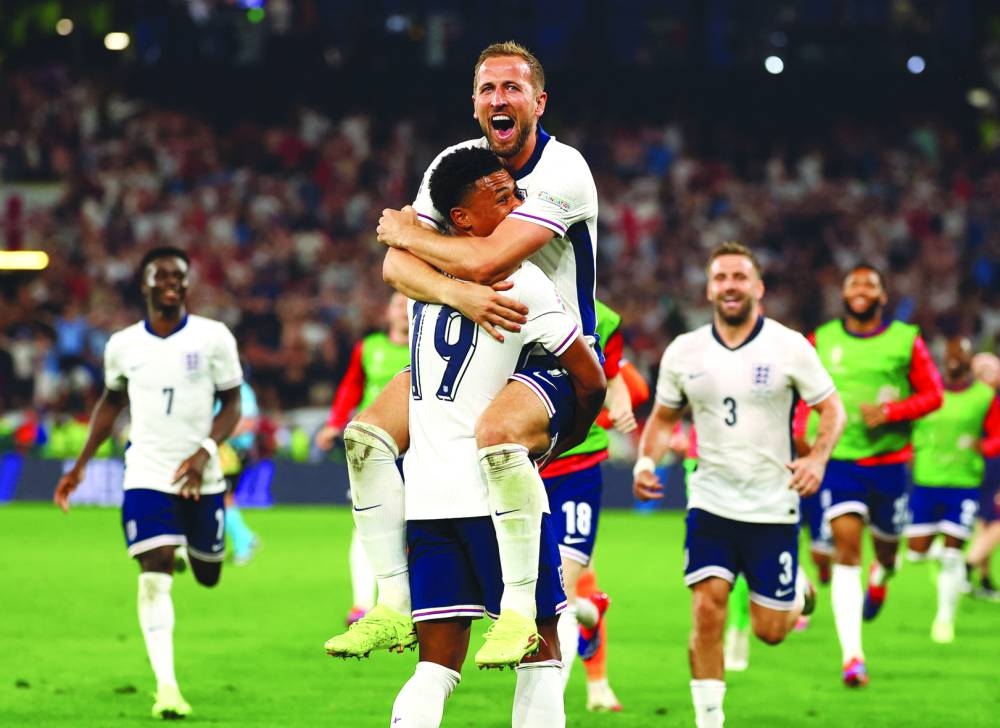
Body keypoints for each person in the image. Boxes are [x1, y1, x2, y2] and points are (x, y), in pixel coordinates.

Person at [326, 40, 601, 669]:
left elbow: (487, 257)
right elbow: (398, 265)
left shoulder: (565, 170)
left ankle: (519, 613)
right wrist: (456, 293)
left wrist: (410, 234)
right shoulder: (453, 164)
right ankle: (390, 606)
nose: (498, 99)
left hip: (548, 350)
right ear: (474, 102)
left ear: (539, 101)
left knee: (498, 435)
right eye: (487, 88)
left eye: (512, 87)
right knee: (365, 438)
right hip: (471, 339)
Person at [384, 146, 605, 726]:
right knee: (540, 652)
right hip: (495, 493)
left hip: (427, 499)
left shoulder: (419, 292)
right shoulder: (521, 281)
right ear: (462, 218)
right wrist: (566, 435)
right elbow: (589, 376)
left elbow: (396, 264)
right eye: (502, 197)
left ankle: (384, 598)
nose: (518, 202)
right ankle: (506, 606)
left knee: (433, 669)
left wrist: (406, 237)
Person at [633, 242, 845, 728]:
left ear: (757, 288)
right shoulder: (684, 351)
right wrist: (647, 462)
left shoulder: (789, 346)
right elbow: (664, 418)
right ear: (709, 289)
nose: (730, 285)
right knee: (708, 609)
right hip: (711, 502)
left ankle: (796, 594)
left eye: (739, 277)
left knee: (771, 632)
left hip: (773, 506)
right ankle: (710, 721)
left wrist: (816, 457)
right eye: (721, 278)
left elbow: (833, 409)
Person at [53, 247, 242, 720]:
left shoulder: (213, 337)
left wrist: (204, 451)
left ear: (187, 284)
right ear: (145, 284)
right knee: (153, 571)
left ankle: (184, 549)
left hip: (203, 474)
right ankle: (168, 688)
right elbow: (109, 404)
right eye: (162, 276)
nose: (171, 283)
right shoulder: (122, 345)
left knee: (209, 575)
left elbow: (233, 405)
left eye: (179, 275)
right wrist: (77, 467)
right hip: (147, 473)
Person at [798, 263, 943, 687]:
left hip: (891, 466)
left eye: (870, 284)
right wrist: (801, 439)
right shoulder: (820, 340)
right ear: (843, 295)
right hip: (840, 461)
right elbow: (799, 394)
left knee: (887, 552)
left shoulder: (906, 341)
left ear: (882, 296)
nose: (861, 290)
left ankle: (882, 575)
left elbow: (933, 394)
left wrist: (892, 413)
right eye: (853, 283)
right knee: (846, 551)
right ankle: (853, 657)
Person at [538, 298, 648, 711]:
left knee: (560, 586)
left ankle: (557, 704)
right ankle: (590, 614)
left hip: (576, 469)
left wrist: (605, 406)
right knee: (519, 590)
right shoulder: (507, 291)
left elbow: (630, 383)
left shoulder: (597, 313)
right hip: (523, 462)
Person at [314, 292, 410, 624]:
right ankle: (361, 605)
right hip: (373, 448)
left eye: (411, 303)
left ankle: (403, 603)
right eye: (398, 303)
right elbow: (350, 389)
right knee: (365, 525)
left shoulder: (427, 346)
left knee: (415, 527)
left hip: (416, 448)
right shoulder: (368, 348)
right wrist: (333, 424)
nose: (404, 311)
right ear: (387, 311)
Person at [903, 336, 1000, 642]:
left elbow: (997, 434)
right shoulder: (928, 394)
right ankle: (968, 570)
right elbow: (910, 425)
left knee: (962, 545)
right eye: (950, 353)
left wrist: (983, 446)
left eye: (961, 353)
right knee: (916, 553)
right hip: (927, 481)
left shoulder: (984, 396)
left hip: (965, 484)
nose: (955, 358)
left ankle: (945, 620)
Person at [966, 351, 1000, 599]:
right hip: (994, 464)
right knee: (995, 523)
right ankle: (967, 565)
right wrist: (985, 448)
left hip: (977, 465)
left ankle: (985, 579)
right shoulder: (991, 401)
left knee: (985, 521)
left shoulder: (972, 398)